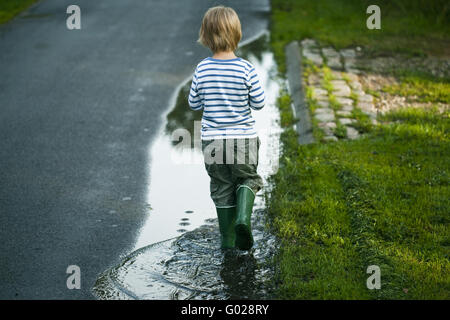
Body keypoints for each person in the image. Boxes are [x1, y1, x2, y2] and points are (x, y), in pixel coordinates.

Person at [188, 6, 265, 250]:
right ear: (236, 34)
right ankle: (243, 219)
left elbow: (193, 103)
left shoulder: (202, 69)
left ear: (206, 36)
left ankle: (227, 241)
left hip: (212, 141)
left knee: (222, 187)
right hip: (242, 138)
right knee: (248, 179)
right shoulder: (246, 69)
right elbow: (260, 103)